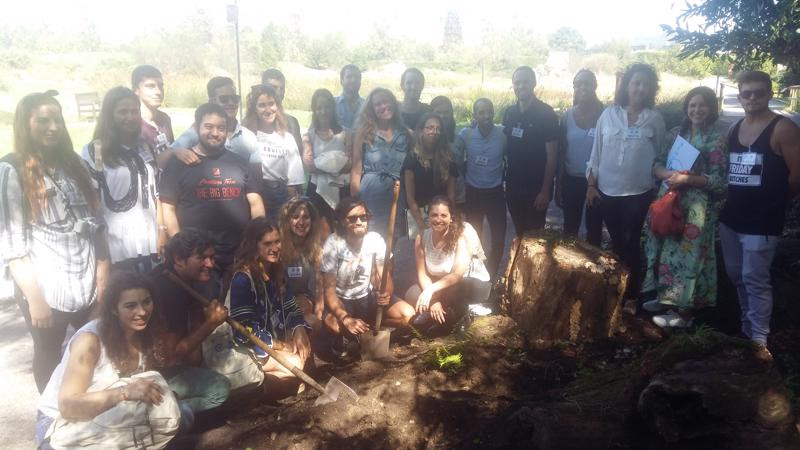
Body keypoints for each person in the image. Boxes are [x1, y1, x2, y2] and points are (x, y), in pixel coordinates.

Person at [0, 91, 110, 392]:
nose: (52, 127)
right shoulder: (12, 170)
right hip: (46, 288)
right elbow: (14, 247)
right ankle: (52, 419)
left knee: (94, 346)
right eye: (43, 121)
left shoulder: (73, 164)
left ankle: (90, 412)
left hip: (85, 282)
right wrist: (36, 299)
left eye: (57, 120)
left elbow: (95, 223)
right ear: (25, 124)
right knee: (49, 353)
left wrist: (103, 269)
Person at [718, 71, 800, 356]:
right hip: (732, 218)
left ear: (769, 94)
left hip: (763, 221)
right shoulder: (734, 128)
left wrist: (774, 201)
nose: (752, 98)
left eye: (759, 92)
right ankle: (745, 327)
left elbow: (796, 176)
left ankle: (759, 341)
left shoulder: (783, 128)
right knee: (736, 275)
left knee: (755, 278)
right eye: (746, 93)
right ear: (739, 95)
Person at [641, 86, 728, 329]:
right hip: (668, 202)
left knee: (689, 257)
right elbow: (656, 164)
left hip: (696, 211)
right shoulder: (675, 134)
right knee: (664, 250)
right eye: (692, 105)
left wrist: (688, 179)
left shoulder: (716, 140)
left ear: (711, 109)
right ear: (686, 108)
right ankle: (667, 300)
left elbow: (720, 182)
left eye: (702, 105)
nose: (697, 109)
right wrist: (668, 174)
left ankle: (685, 314)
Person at [586, 63, 665, 301]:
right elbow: (595, 153)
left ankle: (631, 296)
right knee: (618, 241)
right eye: (636, 83)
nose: (640, 88)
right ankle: (615, 291)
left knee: (630, 244)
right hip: (607, 191)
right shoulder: (608, 114)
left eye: (645, 84)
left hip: (639, 194)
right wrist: (591, 185)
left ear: (651, 89)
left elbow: (661, 155)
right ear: (627, 86)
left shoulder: (655, 119)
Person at [159, 103, 265, 277]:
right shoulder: (179, 164)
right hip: (196, 258)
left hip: (237, 253)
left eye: (221, 128)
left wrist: (257, 241)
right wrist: (180, 245)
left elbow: (256, 203)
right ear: (197, 126)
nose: (215, 133)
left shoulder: (240, 162)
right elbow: (168, 207)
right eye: (209, 127)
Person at [150, 230, 231, 419]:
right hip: (154, 373)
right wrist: (210, 324)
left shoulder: (181, 279)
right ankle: (166, 414)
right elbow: (170, 357)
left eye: (211, 257)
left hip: (169, 365)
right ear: (178, 259)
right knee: (220, 389)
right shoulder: (168, 291)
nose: (210, 264)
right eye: (202, 258)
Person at [320, 197, 415, 356]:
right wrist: (346, 319)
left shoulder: (375, 239)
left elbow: (385, 274)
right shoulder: (333, 243)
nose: (359, 222)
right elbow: (329, 291)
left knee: (408, 315)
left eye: (363, 217)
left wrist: (387, 293)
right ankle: (350, 335)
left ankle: (367, 329)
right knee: (334, 325)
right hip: (343, 301)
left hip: (367, 298)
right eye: (352, 218)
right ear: (343, 221)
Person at [81, 86, 161, 273]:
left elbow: (156, 192)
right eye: (123, 112)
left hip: (148, 240)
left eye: (134, 111)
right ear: (110, 115)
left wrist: (162, 230)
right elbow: (92, 197)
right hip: (117, 244)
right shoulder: (97, 150)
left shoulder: (145, 147)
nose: (130, 117)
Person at [229, 218, 311, 384]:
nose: (275, 248)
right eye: (267, 244)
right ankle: (262, 384)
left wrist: (300, 329)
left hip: (275, 333)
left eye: (277, 242)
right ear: (254, 247)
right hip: (251, 347)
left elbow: (290, 305)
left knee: (313, 323)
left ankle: (283, 378)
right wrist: (279, 345)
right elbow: (245, 330)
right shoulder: (243, 279)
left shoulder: (276, 270)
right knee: (297, 363)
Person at [405, 196, 491, 334]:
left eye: (443, 215)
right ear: (428, 217)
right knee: (412, 293)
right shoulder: (422, 238)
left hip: (467, 283)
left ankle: (466, 312)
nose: (438, 219)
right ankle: (436, 312)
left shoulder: (461, 236)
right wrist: (433, 300)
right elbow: (422, 273)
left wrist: (430, 291)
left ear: (451, 218)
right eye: (434, 215)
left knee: (451, 297)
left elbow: (457, 275)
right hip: (440, 283)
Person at [502, 66, 560, 235]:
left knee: (535, 236)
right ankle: (521, 261)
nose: (521, 86)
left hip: (536, 188)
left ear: (534, 83)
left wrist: (545, 190)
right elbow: (504, 144)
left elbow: (552, 156)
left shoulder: (546, 114)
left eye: (525, 82)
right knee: (520, 232)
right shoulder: (510, 113)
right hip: (513, 186)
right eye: (517, 83)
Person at [455, 98, 507, 279]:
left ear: (493, 112)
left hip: (495, 193)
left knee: (499, 239)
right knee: (473, 238)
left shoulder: (502, 134)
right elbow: (453, 153)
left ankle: (491, 275)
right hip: (473, 193)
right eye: (481, 112)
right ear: (475, 115)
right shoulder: (466, 134)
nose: (486, 115)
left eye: (489, 111)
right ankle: (475, 275)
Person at [351, 88, 412, 239]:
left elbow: (411, 171)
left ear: (394, 103)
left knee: (391, 246)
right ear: (372, 109)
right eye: (378, 104)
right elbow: (356, 170)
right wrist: (355, 203)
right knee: (368, 244)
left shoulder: (407, 134)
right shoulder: (364, 132)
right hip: (369, 195)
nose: (383, 106)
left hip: (396, 195)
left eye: (387, 101)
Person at [244, 85, 306, 220]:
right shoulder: (246, 136)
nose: (268, 110)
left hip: (278, 195)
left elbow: (293, 182)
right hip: (251, 194)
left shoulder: (287, 138)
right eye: (261, 105)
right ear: (254, 109)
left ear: (277, 106)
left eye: (271, 104)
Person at [556, 69, 604, 246]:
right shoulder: (567, 116)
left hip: (597, 181)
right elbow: (562, 151)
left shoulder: (605, 115)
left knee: (594, 229)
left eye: (588, 83)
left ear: (595, 86)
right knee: (570, 228)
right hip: (571, 179)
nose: (583, 87)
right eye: (579, 84)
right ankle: (568, 269)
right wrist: (559, 184)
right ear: (574, 87)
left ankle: (592, 270)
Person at [172, 76, 258, 162]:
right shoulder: (197, 133)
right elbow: (167, 156)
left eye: (235, 99)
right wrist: (176, 152)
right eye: (224, 99)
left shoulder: (249, 138)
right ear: (212, 101)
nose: (231, 103)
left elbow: (256, 173)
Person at [303, 88, 351, 231]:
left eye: (327, 107)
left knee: (341, 231)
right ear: (314, 110)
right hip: (317, 191)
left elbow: (350, 164)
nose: (323, 112)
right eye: (319, 108)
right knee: (316, 232)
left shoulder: (347, 133)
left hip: (342, 190)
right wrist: (336, 165)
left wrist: (322, 165)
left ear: (333, 108)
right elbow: (309, 166)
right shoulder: (308, 136)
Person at [403, 112, 457, 238]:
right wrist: (421, 225)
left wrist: (450, 217)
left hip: (442, 214)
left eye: (438, 128)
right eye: (430, 127)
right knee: (421, 254)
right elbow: (410, 197)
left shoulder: (448, 157)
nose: (435, 131)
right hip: (419, 214)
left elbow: (451, 194)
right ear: (421, 130)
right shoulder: (412, 158)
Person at [279, 197, 325, 332]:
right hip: (283, 304)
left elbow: (319, 286)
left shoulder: (316, 249)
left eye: (306, 217)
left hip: (307, 302)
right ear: (287, 221)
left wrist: (319, 313)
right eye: (295, 217)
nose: (301, 222)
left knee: (313, 319)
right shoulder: (279, 247)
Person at [132, 65, 173, 157]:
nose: (158, 92)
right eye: (150, 86)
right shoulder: (132, 125)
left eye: (161, 86)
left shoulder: (165, 119)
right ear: (136, 89)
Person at [430, 96, 463, 208]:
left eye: (446, 112)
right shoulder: (427, 139)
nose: (443, 116)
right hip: (433, 196)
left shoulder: (459, 138)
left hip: (458, 195)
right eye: (438, 112)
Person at [261, 68, 303, 155]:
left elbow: (298, 155)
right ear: (262, 88)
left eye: (282, 88)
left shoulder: (292, 123)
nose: (279, 92)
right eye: (274, 88)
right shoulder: (250, 121)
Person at [335, 64, 364, 130]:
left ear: (360, 81)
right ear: (341, 81)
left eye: (356, 77)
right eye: (349, 77)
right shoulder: (331, 104)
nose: (353, 80)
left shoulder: (367, 106)